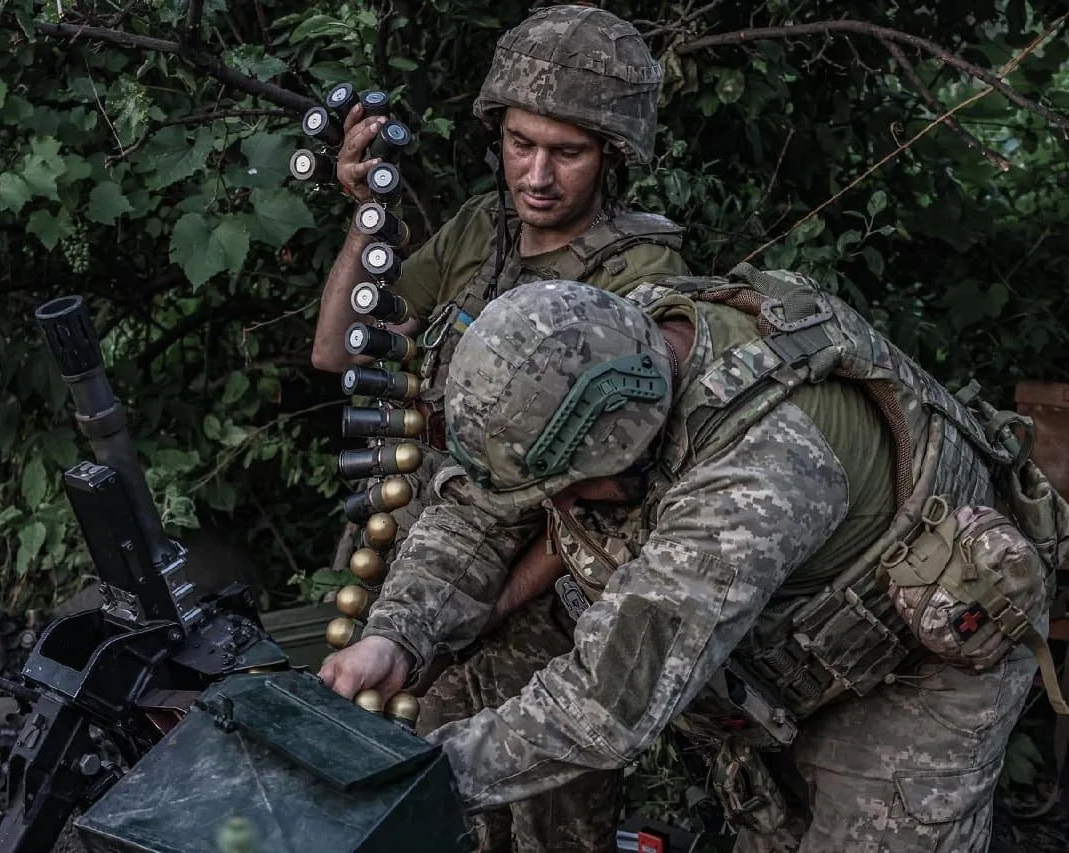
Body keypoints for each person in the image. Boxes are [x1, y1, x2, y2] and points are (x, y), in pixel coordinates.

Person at [321, 270, 1069, 852]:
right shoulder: (601, 345)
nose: (569, 511)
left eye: (577, 493)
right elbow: (485, 511)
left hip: (919, 666)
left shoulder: (760, 475)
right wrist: (397, 634)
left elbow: (607, 701)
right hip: (790, 646)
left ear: (624, 446)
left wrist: (413, 777)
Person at [313, 7, 689, 849]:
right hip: (434, 556)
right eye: (522, 144)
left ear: (614, 156)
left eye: (569, 151)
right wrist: (365, 215)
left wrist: (484, 611)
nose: (539, 174)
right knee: (413, 794)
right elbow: (339, 348)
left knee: (543, 818)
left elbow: (609, 488)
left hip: (545, 592)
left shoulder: (643, 275)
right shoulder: (483, 235)